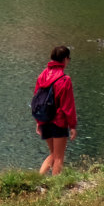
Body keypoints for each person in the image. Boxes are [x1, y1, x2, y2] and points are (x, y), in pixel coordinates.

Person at [32, 45, 77, 176]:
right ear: (65, 59)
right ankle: (55, 188)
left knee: (53, 154)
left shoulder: (42, 76)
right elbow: (68, 106)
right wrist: (72, 126)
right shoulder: (64, 79)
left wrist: (38, 122)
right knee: (58, 157)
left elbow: (36, 100)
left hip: (44, 119)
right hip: (59, 122)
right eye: (69, 59)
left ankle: (38, 179)